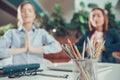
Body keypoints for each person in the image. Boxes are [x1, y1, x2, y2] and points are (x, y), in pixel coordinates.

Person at [0, 2, 62, 67]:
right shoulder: (11, 33)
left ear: (34, 15)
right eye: (23, 11)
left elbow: (57, 47)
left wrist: (33, 49)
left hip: (38, 72)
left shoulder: (41, 33)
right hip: (17, 73)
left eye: (30, 10)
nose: (26, 13)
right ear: (18, 15)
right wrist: (22, 50)